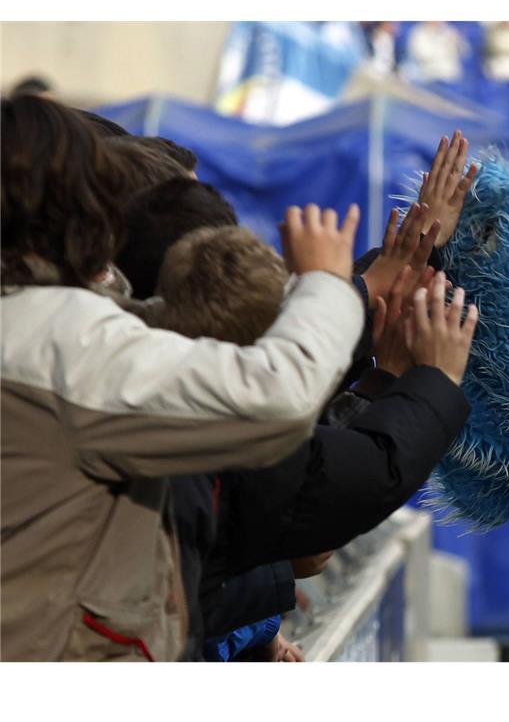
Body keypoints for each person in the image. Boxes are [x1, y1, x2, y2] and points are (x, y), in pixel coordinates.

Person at [1, 94, 365, 661]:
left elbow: (138, 325)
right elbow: (276, 398)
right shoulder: (60, 344)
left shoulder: (38, 323)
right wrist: (327, 285)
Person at [401, 21, 469, 83]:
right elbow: (422, 55)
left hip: (450, 76)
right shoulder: (418, 32)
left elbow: (465, 52)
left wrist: (457, 43)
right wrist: (445, 47)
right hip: (429, 75)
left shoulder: (449, 31)